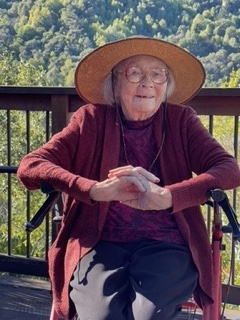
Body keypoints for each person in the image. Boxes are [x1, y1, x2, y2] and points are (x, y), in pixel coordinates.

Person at [17, 36, 240, 320]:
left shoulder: (181, 120)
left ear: (166, 84)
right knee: (101, 316)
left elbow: (228, 169)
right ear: (115, 82)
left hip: (167, 242)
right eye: (134, 72)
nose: (148, 83)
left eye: (157, 74)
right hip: (100, 243)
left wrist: (169, 197)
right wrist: (94, 190)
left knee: (149, 315)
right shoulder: (91, 120)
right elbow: (31, 166)